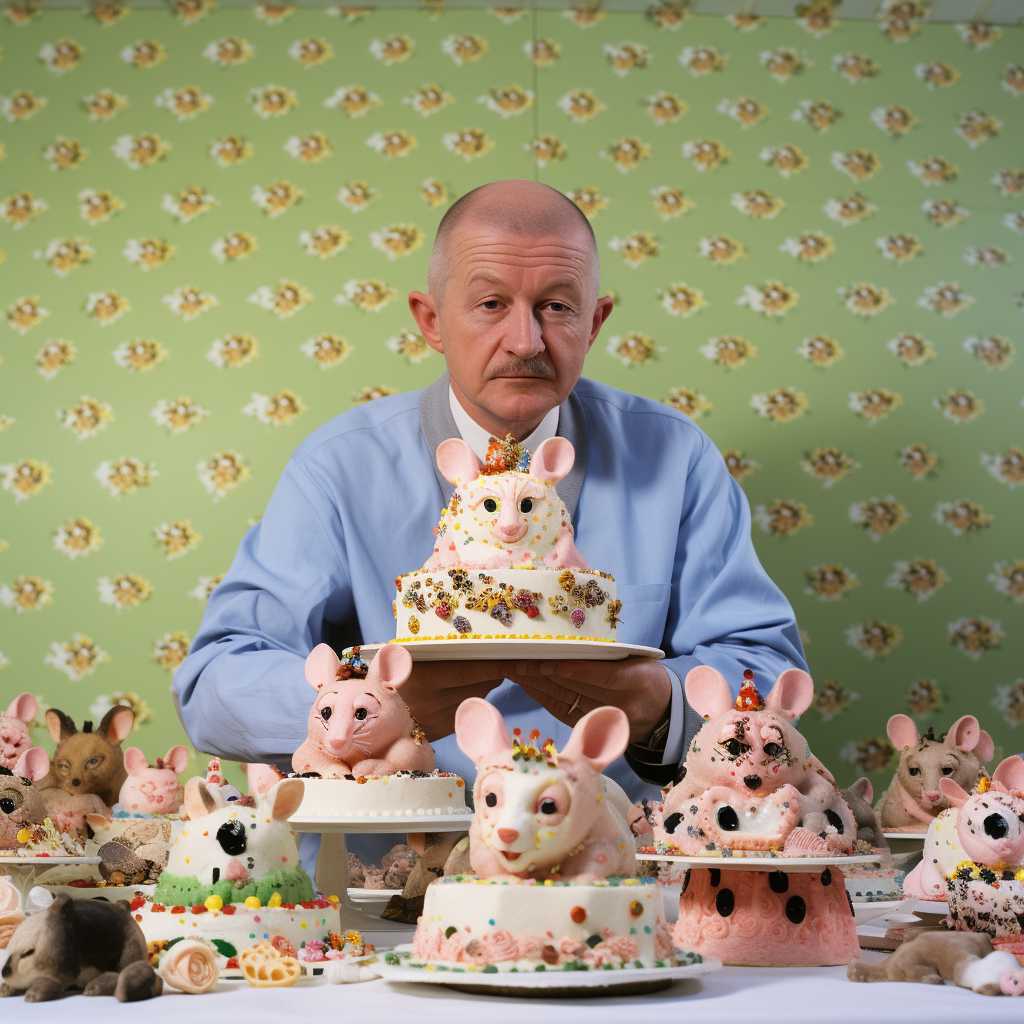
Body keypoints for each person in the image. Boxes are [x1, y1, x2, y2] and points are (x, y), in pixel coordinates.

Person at [173, 180, 806, 817]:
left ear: (595, 323)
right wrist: (365, 710)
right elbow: (213, 684)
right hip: (376, 868)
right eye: (490, 304)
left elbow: (763, 663)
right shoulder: (339, 466)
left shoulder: (675, 457)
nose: (526, 340)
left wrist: (659, 702)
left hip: (614, 864)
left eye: (557, 307)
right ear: (430, 321)